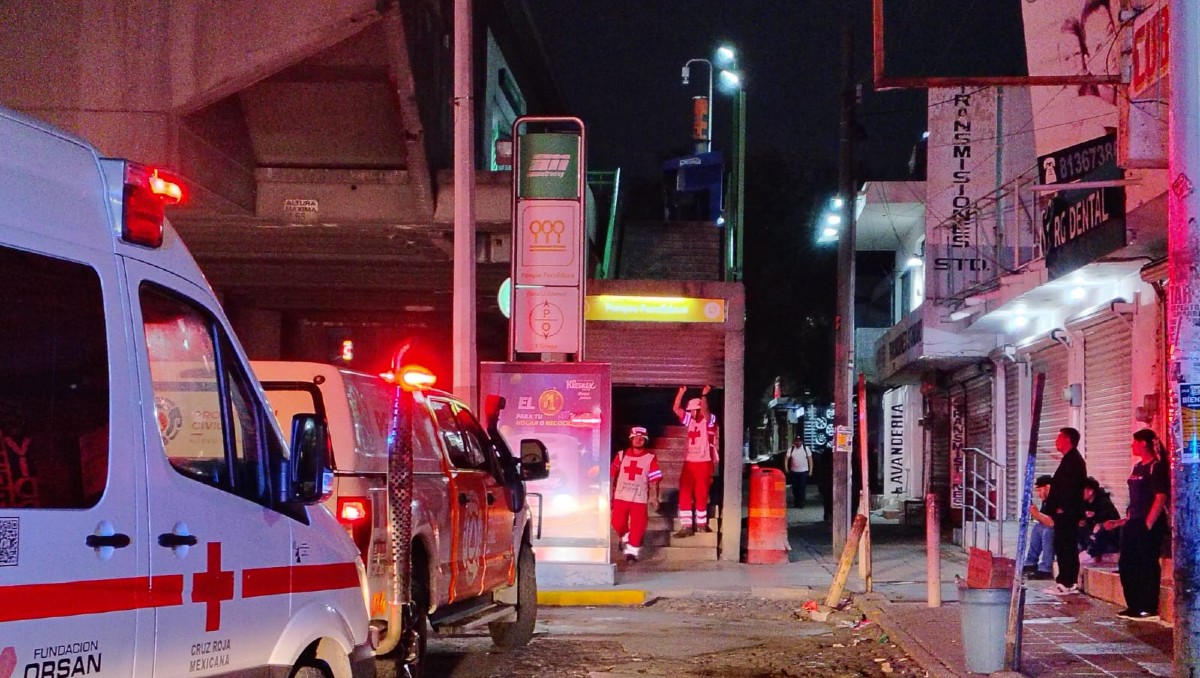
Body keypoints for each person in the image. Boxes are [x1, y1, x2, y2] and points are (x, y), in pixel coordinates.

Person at [1110, 429, 1170, 621]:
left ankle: (1147, 606)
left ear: (1143, 443)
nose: (1132, 446)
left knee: (1146, 564)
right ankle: (1134, 605)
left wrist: (1148, 523)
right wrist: (1125, 520)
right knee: (1127, 563)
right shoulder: (1137, 468)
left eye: (1135, 442)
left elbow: (1160, 497)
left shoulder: (1156, 467)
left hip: (1148, 523)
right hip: (1133, 522)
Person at [1042, 427, 1087, 596]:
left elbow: (1071, 488)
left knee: (1066, 546)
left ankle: (1067, 581)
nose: (1056, 441)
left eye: (1059, 437)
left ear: (1068, 439)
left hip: (1067, 513)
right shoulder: (1068, 460)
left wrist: (1063, 508)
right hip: (1064, 513)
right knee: (1062, 545)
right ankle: (1065, 580)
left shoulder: (1074, 461)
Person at [610, 426, 663, 563]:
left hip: (639, 498)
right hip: (621, 496)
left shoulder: (650, 458)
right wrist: (609, 493)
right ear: (631, 439)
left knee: (638, 526)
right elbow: (611, 474)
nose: (639, 440)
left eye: (642, 438)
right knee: (617, 522)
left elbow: (655, 479)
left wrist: (655, 497)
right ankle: (626, 537)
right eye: (636, 438)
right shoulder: (621, 455)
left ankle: (631, 553)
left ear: (645, 440)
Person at [672, 384, 719, 537]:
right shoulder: (690, 421)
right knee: (685, 493)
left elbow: (705, 412)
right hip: (689, 462)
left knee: (701, 493)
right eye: (690, 410)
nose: (691, 412)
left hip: (704, 462)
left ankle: (701, 524)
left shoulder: (709, 421)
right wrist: (680, 393)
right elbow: (676, 409)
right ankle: (686, 526)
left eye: (693, 410)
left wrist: (704, 395)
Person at [1077, 476, 1121, 564]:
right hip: (1093, 537)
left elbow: (1107, 521)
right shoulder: (1084, 503)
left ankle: (1090, 553)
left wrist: (1094, 518)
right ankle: (1083, 549)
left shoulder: (1104, 502)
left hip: (1109, 538)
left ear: (1090, 491)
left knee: (1099, 528)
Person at [1023, 475, 1055, 581]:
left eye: (1040, 490)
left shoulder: (1057, 499)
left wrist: (1036, 514)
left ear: (1047, 487)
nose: (1039, 494)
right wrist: (1035, 513)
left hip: (1065, 532)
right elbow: (1044, 520)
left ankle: (1046, 568)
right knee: (1037, 528)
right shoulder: (1046, 500)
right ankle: (1031, 562)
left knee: (1048, 532)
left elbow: (1052, 523)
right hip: (1054, 528)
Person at [785, 437, 813, 508]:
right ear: (794, 442)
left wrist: (810, 470)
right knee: (795, 488)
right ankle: (796, 502)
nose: (798, 443)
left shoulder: (806, 449)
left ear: (802, 442)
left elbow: (810, 460)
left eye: (799, 441)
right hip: (794, 471)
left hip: (803, 472)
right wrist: (786, 468)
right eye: (797, 441)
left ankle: (801, 503)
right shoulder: (791, 449)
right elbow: (786, 459)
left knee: (802, 488)